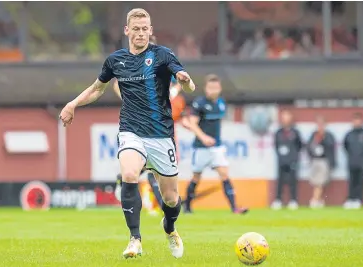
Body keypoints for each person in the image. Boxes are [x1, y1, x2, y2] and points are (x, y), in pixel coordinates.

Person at [59, 8, 196, 259]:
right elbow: (96, 89)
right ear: (127, 31)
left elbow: (186, 81)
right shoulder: (115, 61)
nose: (141, 33)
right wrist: (72, 104)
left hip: (161, 134)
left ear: (150, 31)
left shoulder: (162, 55)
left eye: (145, 29)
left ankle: (170, 227)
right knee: (130, 174)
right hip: (131, 131)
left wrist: (186, 81)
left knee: (171, 198)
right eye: (136, 29)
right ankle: (135, 239)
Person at [113, 36, 189, 215]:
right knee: (144, 166)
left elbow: (178, 89)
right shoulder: (133, 65)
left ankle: (164, 206)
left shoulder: (165, 65)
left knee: (156, 171)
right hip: (138, 128)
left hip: (162, 131)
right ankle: (158, 209)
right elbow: (117, 83)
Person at [183, 74, 249, 214]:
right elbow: (193, 124)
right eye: (210, 87)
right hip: (200, 147)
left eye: (216, 87)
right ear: (206, 88)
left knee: (224, 174)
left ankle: (234, 207)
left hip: (217, 147)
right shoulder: (199, 103)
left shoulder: (221, 103)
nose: (213, 90)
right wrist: (204, 137)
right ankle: (187, 206)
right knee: (196, 177)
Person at [271, 110, 303, 210]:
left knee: (293, 181)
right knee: (280, 181)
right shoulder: (278, 132)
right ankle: (278, 200)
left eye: (287, 117)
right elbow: (276, 145)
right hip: (282, 160)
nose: (285, 119)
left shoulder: (295, 132)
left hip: (292, 160)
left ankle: (293, 200)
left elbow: (299, 145)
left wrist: (293, 155)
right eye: (283, 117)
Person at [307, 116, 336, 208]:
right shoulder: (313, 135)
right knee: (315, 181)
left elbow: (331, 148)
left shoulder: (328, 135)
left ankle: (315, 199)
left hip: (324, 160)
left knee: (321, 181)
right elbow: (309, 147)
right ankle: (318, 200)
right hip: (315, 160)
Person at [343, 112, 363, 210]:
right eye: (355, 120)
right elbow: (345, 146)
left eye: (358, 120)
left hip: (361, 162)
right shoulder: (349, 134)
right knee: (351, 181)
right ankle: (350, 199)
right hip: (351, 161)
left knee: (360, 181)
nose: (357, 122)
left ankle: (358, 199)